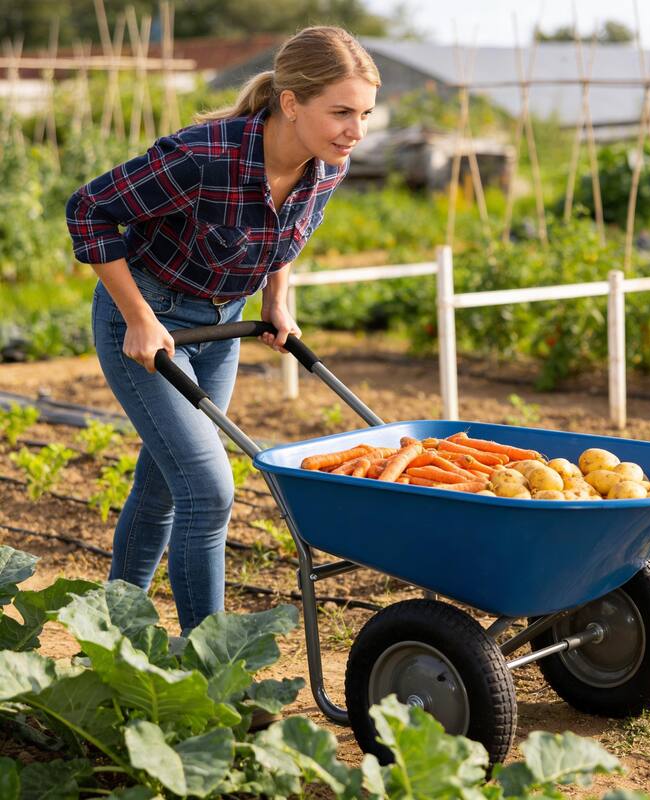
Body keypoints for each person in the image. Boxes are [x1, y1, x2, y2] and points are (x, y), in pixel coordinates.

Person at [65, 26, 380, 637]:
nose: (356, 131)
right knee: (208, 492)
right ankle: (207, 663)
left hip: (223, 327)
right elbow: (89, 210)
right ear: (291, 103)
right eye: (342, 112)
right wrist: (139, 317)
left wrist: (276, 299)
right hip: (148, 323)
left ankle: (110, 634)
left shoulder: (326, 165)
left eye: (365, 114)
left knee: (162, 487)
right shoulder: (204, 157)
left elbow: (286, 234)